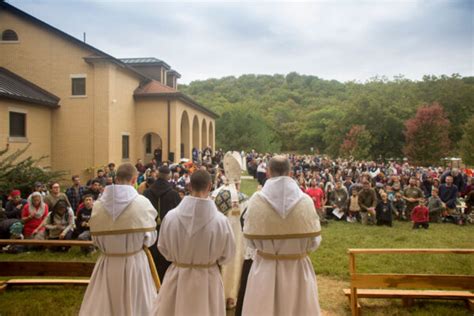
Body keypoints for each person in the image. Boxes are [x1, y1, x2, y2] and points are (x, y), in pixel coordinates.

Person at [242, 156, 322, 316]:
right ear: (290, 173)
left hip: (266, 269)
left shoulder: (256, 201)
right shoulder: (306, 201)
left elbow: (250, 242)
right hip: (297, 270)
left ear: (268, 172)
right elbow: (314, 243)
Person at [152, 170, 236, 316]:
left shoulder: (171, 217)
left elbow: (163, 248)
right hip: (207, 278)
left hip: (178, 276)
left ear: (189, 186)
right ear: (210, 187)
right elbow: (228, 254)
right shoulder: (221, 221)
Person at [79, 163, 159, 316]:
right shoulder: (142, 204)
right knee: (136, 304)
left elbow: (95, 239)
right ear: (134, 179)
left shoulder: (98, 206)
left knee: (106, 304)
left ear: (116, 178)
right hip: (134, 263)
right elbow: (150, 239)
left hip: (107, 262)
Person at [212, 151, 248, 310]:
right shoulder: (243, 198)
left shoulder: (214, 194)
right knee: (233, 263)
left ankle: (215, 295)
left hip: (215, 237)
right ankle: (230, 297)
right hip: (236, 238)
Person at [143, 165, 181, 281]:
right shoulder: (174, 194)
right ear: (169, 177)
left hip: (150, 235)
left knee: (151, 264)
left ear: (157, 175)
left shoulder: (147, 193)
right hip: (168, 235)